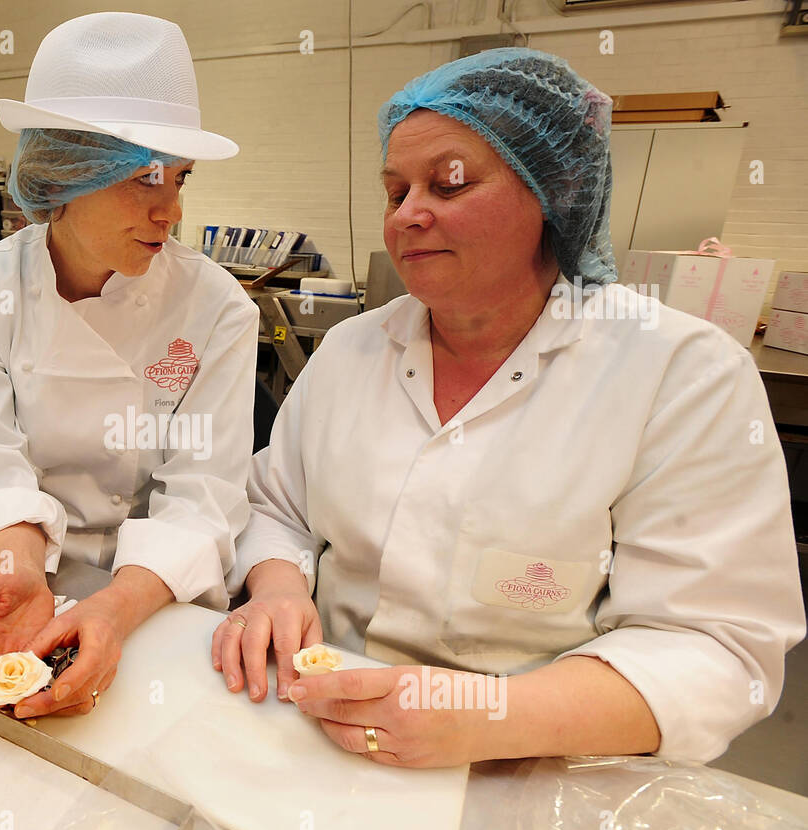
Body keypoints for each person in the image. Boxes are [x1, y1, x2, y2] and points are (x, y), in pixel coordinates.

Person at [214, 48, 804, 768]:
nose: (408, 216)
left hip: (541, 769)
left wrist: (490, 716)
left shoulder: (682, 373)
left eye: (448, 183)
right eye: (396, 192)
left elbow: (715, 644)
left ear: (552, 190)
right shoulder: (350, 352)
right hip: (321, 723)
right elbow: (277, 506)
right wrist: (275, 589)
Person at [0, 12, 258, 718]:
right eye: (144, 180)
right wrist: (21, 570)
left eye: (181, 179)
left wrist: (113, 608)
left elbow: (203, 493)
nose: (170, 211)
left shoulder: (218, 309)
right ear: (64, 177)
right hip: (6, 570)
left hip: (145, 590)